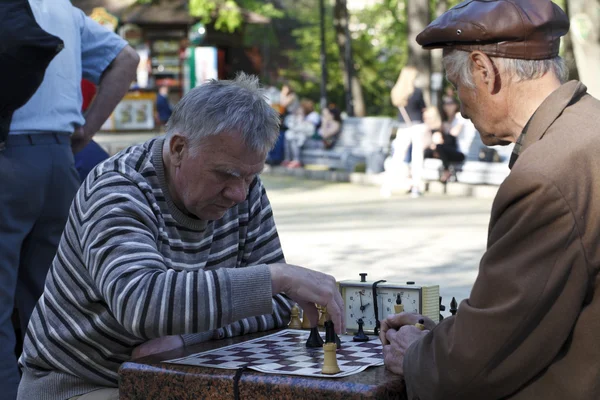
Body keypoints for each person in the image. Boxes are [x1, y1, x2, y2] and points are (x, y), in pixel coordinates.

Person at [17, 73, 345, 400]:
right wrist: (276, 277)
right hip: (82, 383)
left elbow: (275, 305)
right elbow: (142, 305)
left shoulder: (245, 190)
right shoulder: (118, 188)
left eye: (250, 176)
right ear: (178, 148)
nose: (239, 194)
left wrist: (189, 338)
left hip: (184, 373)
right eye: (226, 174)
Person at [381, 1, 600, 399]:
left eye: (457, 85)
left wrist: (417, 356)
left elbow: (477, 363)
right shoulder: (589, 128)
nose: (461, 107)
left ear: (485, 70)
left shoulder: (546, 175)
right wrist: (441, 336)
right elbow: (530, 317)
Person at [0, 1, 139, 399]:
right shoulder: (62, 9)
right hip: (60, 161)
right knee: (51, 305)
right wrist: (85, 130)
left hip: (7, 158)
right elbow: (126, 59)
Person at [282, 99, 320, 169]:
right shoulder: (300, 118)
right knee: (288, 135)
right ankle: (288, 159)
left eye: (301, 110)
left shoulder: (312, 117)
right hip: (302, 139)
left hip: (311, 141)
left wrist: (301, 121)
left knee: (293, 137)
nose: (299, 112)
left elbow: (309, 130)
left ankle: (296, 160)